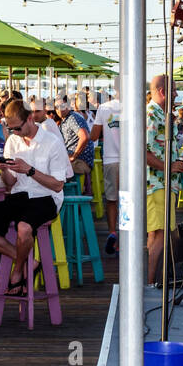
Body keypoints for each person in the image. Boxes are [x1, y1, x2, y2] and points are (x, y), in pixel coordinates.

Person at [0, 99, 69, 298]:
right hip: (20, 195)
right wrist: (5, 170)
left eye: (17, 128)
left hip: (47, 196)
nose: (14, 132)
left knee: (24, 228)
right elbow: (10, 183)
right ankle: (31, 264)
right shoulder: (12, 140)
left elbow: (58, 185)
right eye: (11, 129)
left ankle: (17, 271)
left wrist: (30, 170)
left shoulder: (52, 142)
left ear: (29, 119)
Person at [146, 74, 183, 288]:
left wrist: (180, 160)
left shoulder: (163, 114)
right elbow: (143, 151)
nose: (176, 95)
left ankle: (160, 278)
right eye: (174, 91)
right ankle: (151, 282)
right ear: (163, 91)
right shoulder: (151, 115)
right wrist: (169, 166)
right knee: (162, 234)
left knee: (164, 233)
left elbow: (159, 150)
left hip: (165, 182)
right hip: (156, 183)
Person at [90, 81, 122, 253]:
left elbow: (94, 135)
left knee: (111, 200)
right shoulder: (135, 105)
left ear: (114, 89)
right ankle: (127, 235)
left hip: (110, 158)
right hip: (131, 160)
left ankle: (112, 232)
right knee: (128, 200)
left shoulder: (104, 108)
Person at [57, 99, 94, 187]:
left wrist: (74, 156)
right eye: (56, 107)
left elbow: (85, 136)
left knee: (52, 172)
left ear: (69, 107)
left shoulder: (72, 118)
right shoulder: (65, 120)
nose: (59, 109)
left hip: (80, 161)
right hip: (77, 160)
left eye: (62, 106)